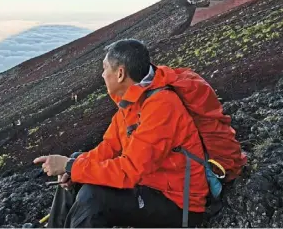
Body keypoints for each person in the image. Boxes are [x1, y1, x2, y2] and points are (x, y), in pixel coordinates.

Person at [34, 39, 210, 228]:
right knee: (78, 162)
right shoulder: (132, 103)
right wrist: (72, 166)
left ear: (120, 74)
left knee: (94, 198)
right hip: (150, 184)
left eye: (105, 68)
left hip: (177, 202)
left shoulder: (161, 106)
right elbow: (109, 147)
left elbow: (129, 171)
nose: (102, 75)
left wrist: (71, 166)